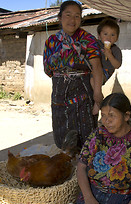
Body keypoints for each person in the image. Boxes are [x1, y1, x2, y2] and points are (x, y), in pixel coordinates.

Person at [43, 0, 103, 149]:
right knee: (61, 126)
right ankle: (68, 161)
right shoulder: (51, 41)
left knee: (85, 127)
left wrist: (97, 92)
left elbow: (96, 68)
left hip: (82, 87)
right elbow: (47, 69)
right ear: (60, 18)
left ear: (81, 19)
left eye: (77, 16)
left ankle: (85, 163)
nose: (72, 20)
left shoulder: (88, 40)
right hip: (59, 89)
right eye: (68, 15)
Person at [90, 18, 122, 89]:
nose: (108, 37)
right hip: (92, 69)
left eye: (113, 35)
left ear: (117, 38)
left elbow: (117, 65)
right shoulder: (96, 44)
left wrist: (109, 56)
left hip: (105, 72)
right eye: (105, 34)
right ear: (99, 36)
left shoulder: (116, 50)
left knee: (93, 80)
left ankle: (97, 96)